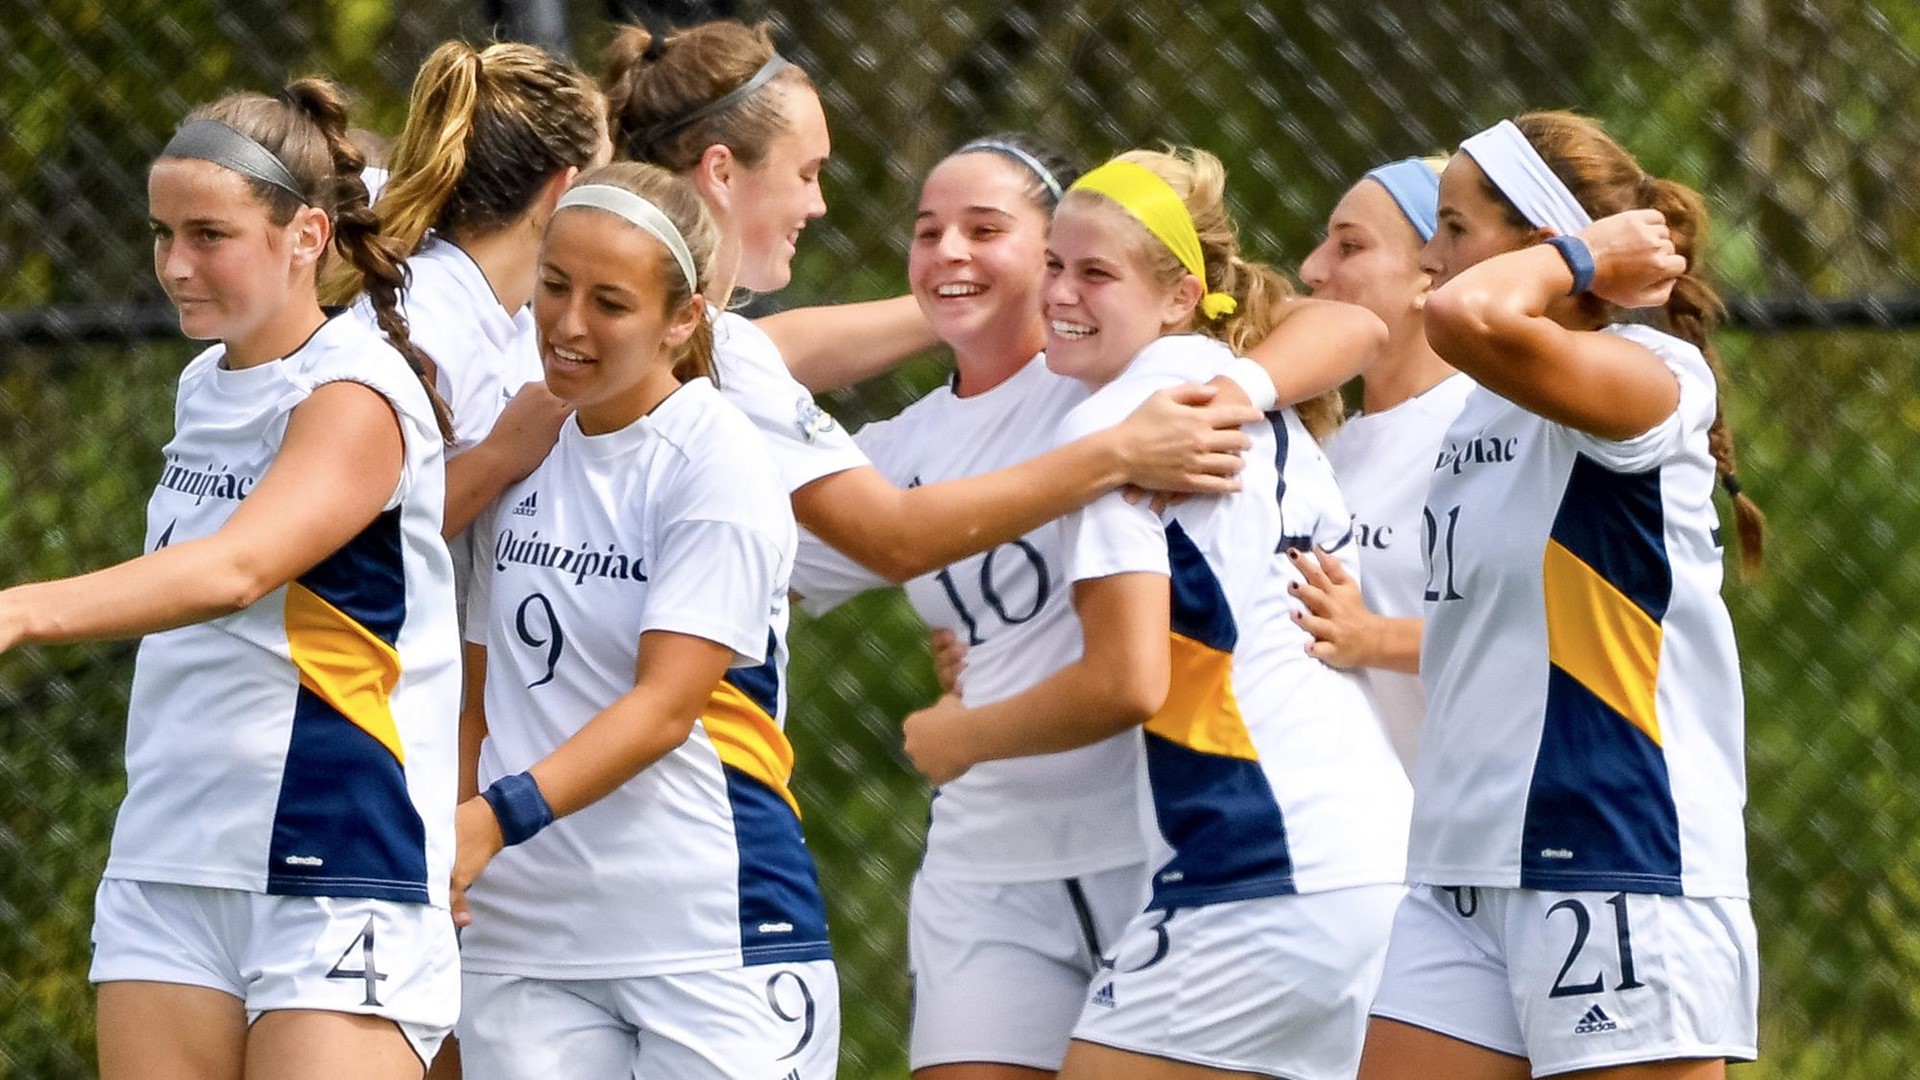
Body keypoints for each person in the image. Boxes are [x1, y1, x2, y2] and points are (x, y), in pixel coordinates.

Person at [794, 132, 1392, 1080]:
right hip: (1054, 857)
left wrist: (963, 733)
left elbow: (1124, 680)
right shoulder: (1106, 397)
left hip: (1208, 846)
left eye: (989, 230)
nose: (951, 249)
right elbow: (744, 372)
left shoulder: (1124, 407)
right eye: (927, 231)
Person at [0, 80, 461, 1078]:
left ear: (307, 235)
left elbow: (237, 569)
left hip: (339, 861)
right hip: (169, 860)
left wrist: (21, 612)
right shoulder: (204, 384)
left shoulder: (359, 392)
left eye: (209, 234)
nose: (174, 265)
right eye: (163, 233)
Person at [600, 20, 1389, 585]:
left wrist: (1005, 295)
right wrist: (975, 294)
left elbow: (1345, 323)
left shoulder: (1137, 375)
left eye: (986, 230)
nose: (821, 204)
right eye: (929, 231)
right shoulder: (903, 442)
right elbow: (770, 365)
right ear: (720, 171)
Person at [1357, 112, 1766, 1080]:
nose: (1428, 254)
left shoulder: (1648, 378)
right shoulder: (1476, 410)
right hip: (1462, 865)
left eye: (1454, 228)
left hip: (1616, 855)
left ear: (1547, 244)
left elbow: (1467, 316)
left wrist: (1587, 256)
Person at [449, 161, 836, 1079]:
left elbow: (666, 708)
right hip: (524, 938)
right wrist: (458, 840)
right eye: (553, 286)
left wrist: (490, 822)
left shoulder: (716, 459)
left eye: (610, 304)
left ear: (683, 320)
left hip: (707, 927)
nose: (569, 324)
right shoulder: (522, 443)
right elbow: (481, 691)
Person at [1291, 156, 1475, 772]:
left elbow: (1542, 634)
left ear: (1431, 273)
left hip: (1480, 834)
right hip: (1363, 840)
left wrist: (1372, 638)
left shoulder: (1488, 435)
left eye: (1350, 246)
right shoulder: (1326, 450)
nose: (1312, 269)